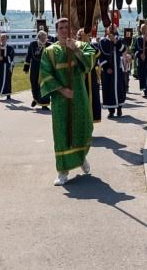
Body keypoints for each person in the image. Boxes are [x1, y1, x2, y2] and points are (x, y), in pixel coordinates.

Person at [39, 18, 99, 186]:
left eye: (67, 27)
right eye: (61, 28)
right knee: (62, 132)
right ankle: (62, 171)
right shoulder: (49, 51)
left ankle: (81, 158)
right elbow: (45, 76)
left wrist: (76, 50)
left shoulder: (80, 46)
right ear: (56, 30)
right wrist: (62, 90)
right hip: (60, 99)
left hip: (79, 96)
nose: (64, 30)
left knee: (82, 127)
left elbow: (89, 64)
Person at [99, 25, 128, 119]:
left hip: (118, 69)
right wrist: (106, 67)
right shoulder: (103, 41)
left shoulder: (120, 39)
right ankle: (111, 111)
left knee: (119, 87)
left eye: (114, 27)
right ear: (106, 30)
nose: (112, 28)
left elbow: (123, 50)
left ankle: (119, 108)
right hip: (108, 71)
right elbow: (100, 56)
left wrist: (115, 41)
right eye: (110, 27)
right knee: (108, 88)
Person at [24, 30, 52, 108]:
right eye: (42, 37)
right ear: (38, 37)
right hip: (34, 68)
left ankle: (44, 104)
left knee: (44, 85)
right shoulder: (33, 44)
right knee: (34, 84)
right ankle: (35, 99)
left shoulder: (49, 45)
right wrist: (26, 68)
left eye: (45, 37)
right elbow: (28, 56)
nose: (43, 39)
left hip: (45, 68)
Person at [0, 34, 15, 101]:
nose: (2, 39)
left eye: (4, 38)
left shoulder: (10, 48)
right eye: (1, 38)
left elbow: (11, 57)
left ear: (6, 39)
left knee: (7, 80)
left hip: (6, 66)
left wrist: (3, 58)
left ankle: (8, 95)